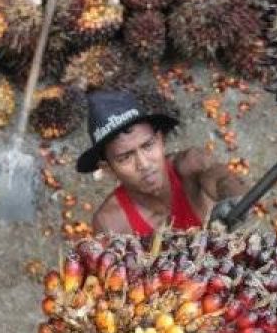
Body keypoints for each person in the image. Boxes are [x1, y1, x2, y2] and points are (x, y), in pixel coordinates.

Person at [77, 90, 247, 237]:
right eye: (125, 158)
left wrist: (234, 196)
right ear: (108, 169)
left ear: (160, 140)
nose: (143, 164)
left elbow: (220, 178)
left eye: (148, 145)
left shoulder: (190, 165)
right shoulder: (110, 223)